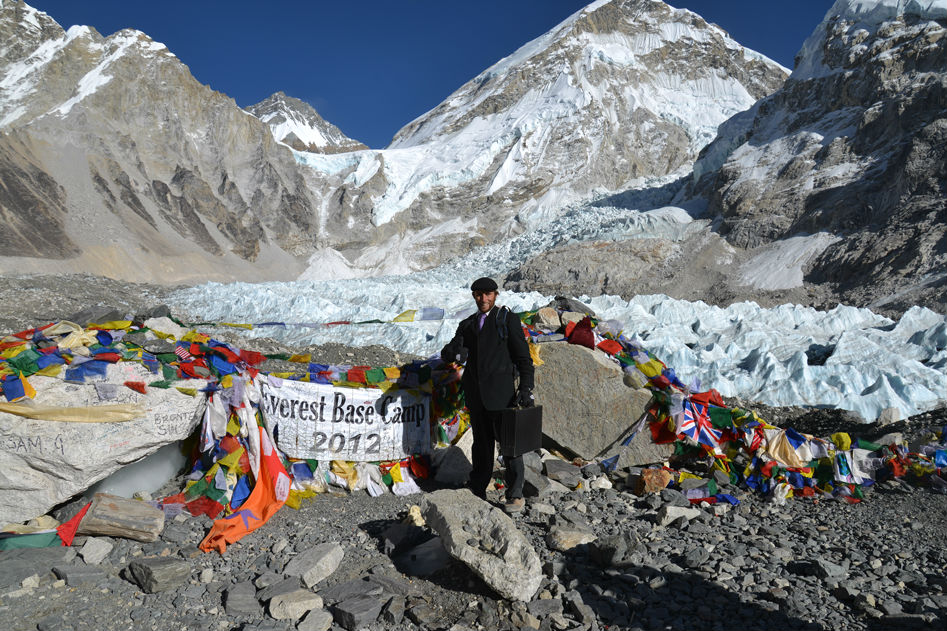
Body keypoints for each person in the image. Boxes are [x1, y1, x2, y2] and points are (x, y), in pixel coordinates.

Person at [440, 277, 535, 512]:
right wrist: (456, 348)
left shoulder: (507, 320)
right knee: (481, 445)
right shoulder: (468, 325)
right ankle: (478, 487)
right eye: (479, 294)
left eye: (488, 294)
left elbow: (524, 358)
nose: (483, 299)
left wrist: (525, 388)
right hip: (476, 396)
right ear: (474, 296)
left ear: (496, 295)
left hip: (502, 396)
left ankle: (515, 494)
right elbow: (446, 355)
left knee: (510, 446)